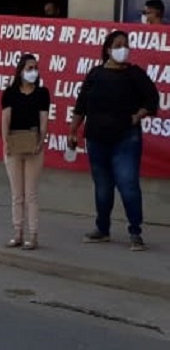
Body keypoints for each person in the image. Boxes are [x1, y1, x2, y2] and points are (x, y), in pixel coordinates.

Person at [68, 30, 160, 251]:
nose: (123, 49)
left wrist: (138, 115)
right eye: (118, 45)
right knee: (102, 187)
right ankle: (102, 229)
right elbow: (81, 106)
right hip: (96, 139)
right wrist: (73, 131)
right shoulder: (95, 74)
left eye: (126, 45)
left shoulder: (135, 74)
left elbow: (152, 99)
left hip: (126, 139)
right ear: (108, 49)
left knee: (128, 185)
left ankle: (135, 232)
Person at [0, 54, 51, 250]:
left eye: (36, 68)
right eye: (29, 68)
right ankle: (17, 232)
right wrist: (6, 143)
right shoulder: (10, 92)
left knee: (31, 194)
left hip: (33, 146)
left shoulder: (42, 93)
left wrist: (41, 140)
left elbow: (44, 119)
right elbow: (5, 119)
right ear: (21, 71)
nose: (33, 72)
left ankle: (33, 235)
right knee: (17, 194)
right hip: (14, 145)